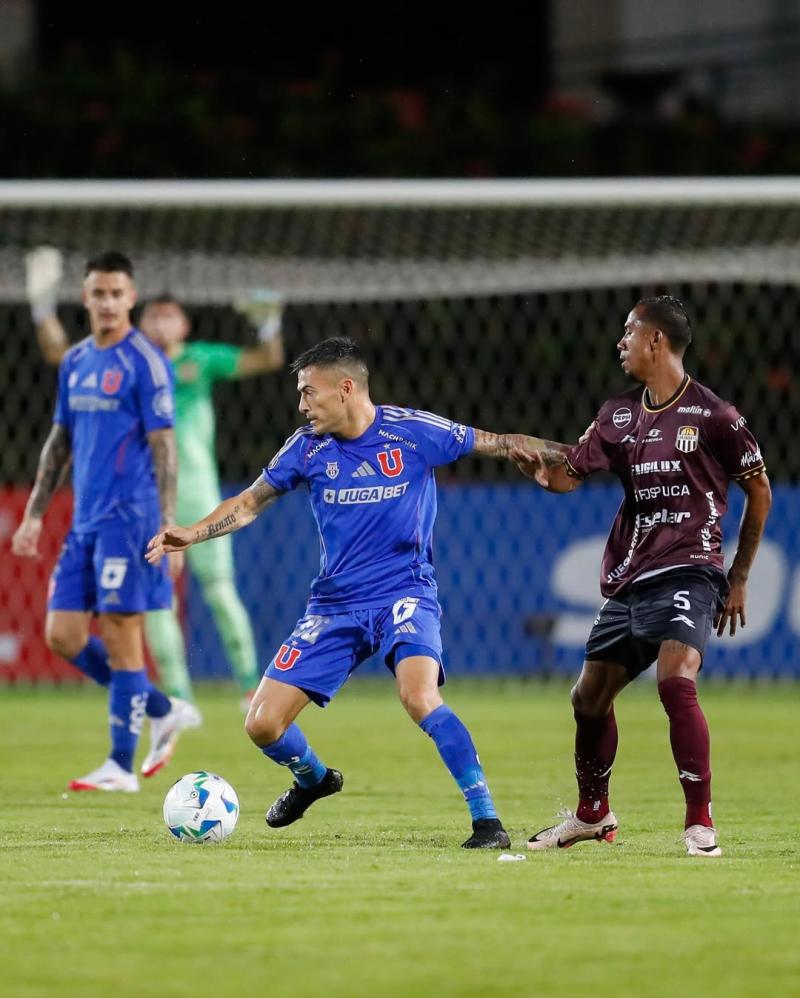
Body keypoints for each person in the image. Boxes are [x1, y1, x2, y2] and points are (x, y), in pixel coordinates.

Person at [146, 337, 541, 848]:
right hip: (334, 605)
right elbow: (248, 503)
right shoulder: (306, 447)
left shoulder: (414, 431)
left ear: (346, 389)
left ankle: (487, 821)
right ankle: (314, 780)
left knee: (419, 695)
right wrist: (192, 533)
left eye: (309, 392)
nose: (302, 404)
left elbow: (499, 442)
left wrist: (575, 458)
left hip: (405, 592)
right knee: (262, 725)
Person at [511, 296, 771, 857]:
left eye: (629, 332)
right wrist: (540, 471)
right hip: (633, 575)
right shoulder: (618, 414)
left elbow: (759, 488)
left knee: (676, 679)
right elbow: (571, 475)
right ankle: (592, 816)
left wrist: (740, 576)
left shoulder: (715, 415)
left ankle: (700, 823)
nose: (621, 343)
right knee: (587, 699)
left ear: (657, 341)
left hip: (692, 569)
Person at [24, 247, 285, 707]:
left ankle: (250, 685)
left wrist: (268, 323)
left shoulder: (200, 360)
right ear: (141, 321)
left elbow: (267, 358)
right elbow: (60, 356)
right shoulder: (126, 361)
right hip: (143, 494)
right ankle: (179, 696)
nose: (162, 324)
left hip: (198, 492)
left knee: (220, 590)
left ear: (183, 325)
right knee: (156, 600)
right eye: (155, 316)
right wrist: (42, 306)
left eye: (170, 316)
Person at [12, 250, 198, 792]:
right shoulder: (75, 362)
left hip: (131, 519)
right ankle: (163, 709)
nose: (109, 302)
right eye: (99, 293)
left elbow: (165, 447)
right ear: (86, 297)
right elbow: (60, 440)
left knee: (121, 635)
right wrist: (33, 515)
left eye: (118, 293)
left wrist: (169, 525)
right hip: (86, 521)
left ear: (131, 299)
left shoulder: (145, 362)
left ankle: (121, 764)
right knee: (62, 635)